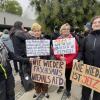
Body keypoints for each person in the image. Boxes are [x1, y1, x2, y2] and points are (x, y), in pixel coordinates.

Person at [77, 16, 100, 100]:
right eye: (95, 22)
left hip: (99, 72)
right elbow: (81, 51)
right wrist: (78, 59)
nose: (97, 24)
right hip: (87, 71)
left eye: (99, 22)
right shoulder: (86, 38)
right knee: (85, 93)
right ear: (92, 25)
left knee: (98, 95)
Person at [54, 23, 79, 98]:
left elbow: (76, 51)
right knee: (60, 76)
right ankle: (61, 86)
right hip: (60, 63)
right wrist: (59, 57)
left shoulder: (73, 40)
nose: (66, 30)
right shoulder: (58, 40)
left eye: (68, 29)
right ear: (61, 30)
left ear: (70, 30)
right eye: (64, 29)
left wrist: (67, 60)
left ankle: (68, 90)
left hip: (69, 64)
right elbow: (55, 51)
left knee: (68, 78)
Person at [30, 23, 50, 99]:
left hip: (44, 64)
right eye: (35, 31)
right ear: (32, 32)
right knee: (36, 80)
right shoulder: (30, 42)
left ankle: (45, 91)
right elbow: (28, 54)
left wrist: (49, 60)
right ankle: (37, 91)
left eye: (38, 31)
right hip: (35, 65)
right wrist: (33, 58)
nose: (37, 32)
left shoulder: (45, 41)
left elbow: (50, 53)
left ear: (41, 31)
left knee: (45, 79)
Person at [9, 21, 32, 87]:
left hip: (18, 54)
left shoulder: (13, 33)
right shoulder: (19, 32)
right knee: (25, 70)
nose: (23, 27)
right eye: (22, 25)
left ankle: (23, 82)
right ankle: (28, 84)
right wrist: (25, 32)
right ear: (20, 25)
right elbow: (29, 38)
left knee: (22, 69)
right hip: (23, 54)